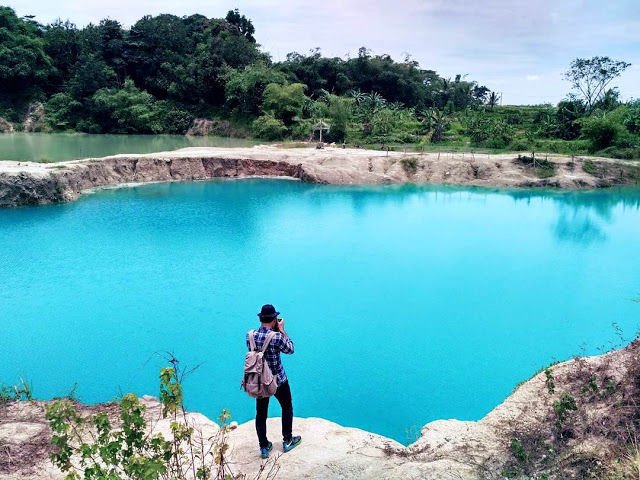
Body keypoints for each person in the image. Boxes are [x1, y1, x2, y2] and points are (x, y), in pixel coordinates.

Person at [247, 304, 302, 458]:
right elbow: (290, 349)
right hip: (278, 380)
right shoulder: (276, 337)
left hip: (258, 380)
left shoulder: (250, 335)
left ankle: (264, 447)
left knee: (261, 413)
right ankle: (288, 440)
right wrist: (282, 330)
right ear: (273, 320)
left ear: (260, 318)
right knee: (286, 407)